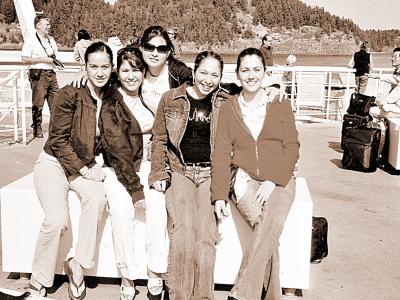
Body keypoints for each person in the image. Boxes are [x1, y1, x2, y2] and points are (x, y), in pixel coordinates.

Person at [211, 47, 300, 300]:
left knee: (270, 219)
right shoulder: (229, 108)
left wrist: (273, 180)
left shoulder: (279, 102)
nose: (251, 75)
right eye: (245, 70)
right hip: (244, 178)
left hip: (280, 180)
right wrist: (219, 195)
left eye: (256, 70)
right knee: (267, 229)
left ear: (265, 72)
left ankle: (241, 293)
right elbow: (220, 153)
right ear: (237, 75)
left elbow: (292, 147)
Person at [149, 51, 238, 300]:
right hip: (180, 171)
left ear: (221, 77)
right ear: (194, 71)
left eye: (215, 74)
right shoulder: (171, 98)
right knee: (184, 231)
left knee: (207, 236)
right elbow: (159, 139)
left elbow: (251, 94)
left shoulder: (226, 101)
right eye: (203, 72)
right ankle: (179, 295)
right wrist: (158, 172)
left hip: (211, 173)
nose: (208, 79)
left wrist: (273, 89)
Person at [28, 41, 112, 299]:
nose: (100, 72)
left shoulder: (113, 94)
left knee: (97, 199)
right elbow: (57, 140)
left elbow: (140, 72)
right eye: (93, 66)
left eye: (105, 66)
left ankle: (78, 265)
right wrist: (86, 169)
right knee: (56, 220)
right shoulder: (68, 94)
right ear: (84, 67)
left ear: (112, 68)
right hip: (54, 162)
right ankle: (39, 279)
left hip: (83, 163)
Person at [99, 47, 164, 300]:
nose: (131, 76)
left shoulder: (148, 97)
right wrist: (136, 190)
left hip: (147, 164)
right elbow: (117, 150)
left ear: (143, 71)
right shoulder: (112, 103)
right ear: (117, 72)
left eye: (136, 69)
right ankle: (127, 275)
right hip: (119, 168)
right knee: (121, 209)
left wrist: (272, 86)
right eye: (125, 70)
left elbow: (185, 74)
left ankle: (155, 270)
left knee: (158, 204)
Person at [139, 25, 192, 296]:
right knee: (155, 203)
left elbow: (210, 86)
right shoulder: (133, 68)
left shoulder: (180, 74)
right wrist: (81, 76)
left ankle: (169, 271)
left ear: (169, 51)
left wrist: (270, 87)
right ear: (141, 48)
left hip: (171, 148)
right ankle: (156, 273)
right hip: (140, 148)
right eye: (150, 47)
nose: (155, 53)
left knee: (173, 207)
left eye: (161, 48)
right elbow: (102, 81)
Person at [21, 15, 62, 138]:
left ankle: (56, 129)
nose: (49, 27)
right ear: (38, 26)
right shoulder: (31, 41)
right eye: (46, 25)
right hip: (39, 74)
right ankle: (37, 127)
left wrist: (57, 63)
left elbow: (55, 56)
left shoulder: (51, 39)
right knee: (38, 103)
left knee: (56, 102)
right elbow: (24, 59)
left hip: (51, 74)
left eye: (49, 25)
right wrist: (42, 59)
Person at [369, 47, 400, 119]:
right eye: (392, 57)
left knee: (372, 110)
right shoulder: (396, 73)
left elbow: (397, 91)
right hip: (395, 105)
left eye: (395, 57)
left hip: (397, 107)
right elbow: (393, 79)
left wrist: (384, 102)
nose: (392, 59)